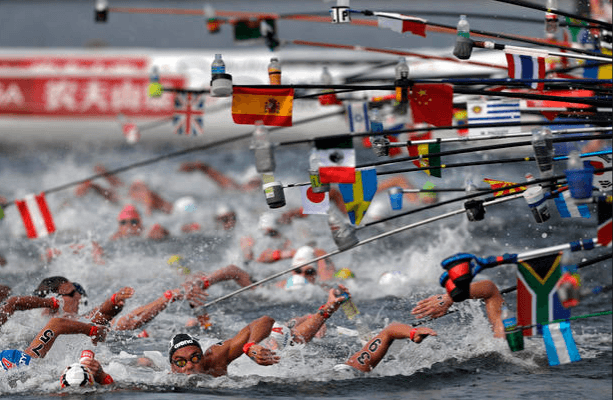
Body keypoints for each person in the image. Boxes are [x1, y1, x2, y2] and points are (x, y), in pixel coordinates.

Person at [167, 285, 350, 376]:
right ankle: (301, 319)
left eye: (194, 358)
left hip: (248, 355)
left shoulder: (215, 357)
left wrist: (250, 346)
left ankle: (326, 308)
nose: (190, 366)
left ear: (202, 355)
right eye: (181, 363)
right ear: (172, 367)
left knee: (282, 337)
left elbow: (265, 320)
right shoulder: (162, 378)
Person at [1, 317, 108, 371]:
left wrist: (93, 331)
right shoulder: (21, 366)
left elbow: (56, 324)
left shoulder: (18, 362)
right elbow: (56, 324)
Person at [410, 280, 504, 337]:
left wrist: (450, 297)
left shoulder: (508, 337)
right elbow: (489, 289)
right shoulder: (508, 335)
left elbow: (490, 290)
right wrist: (449, 298)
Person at [340, 323, 437, 373]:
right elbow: (389, 331)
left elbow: (389, 331)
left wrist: (412, 332)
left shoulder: (350, 370)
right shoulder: (354, 370)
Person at [178, 162, 261, 192]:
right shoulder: (233, 187)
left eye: (258, 184)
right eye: (253, 183)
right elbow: (210, 171)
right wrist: (196, 166)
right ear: (245, 183)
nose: (254, 187)